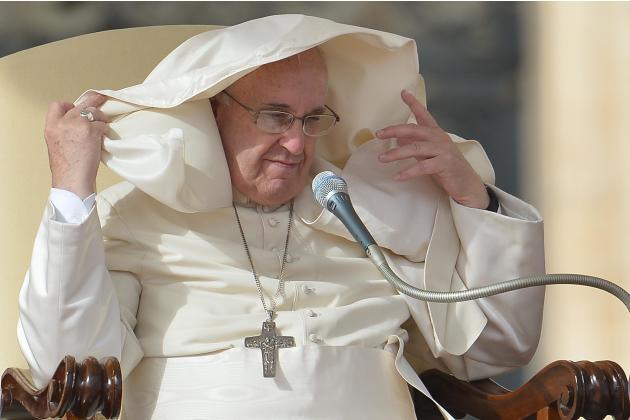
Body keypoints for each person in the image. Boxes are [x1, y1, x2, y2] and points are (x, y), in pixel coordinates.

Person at [17, 15, 545, 419]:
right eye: (274, 115)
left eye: (312, 118)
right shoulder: (133, 218)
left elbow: (495, 349)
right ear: (213, 110)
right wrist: (71, 184)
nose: (295, 143)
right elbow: (65, 363)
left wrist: (471, 197)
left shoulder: (373, 209)